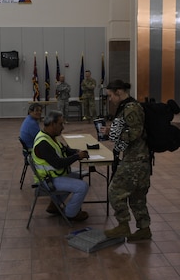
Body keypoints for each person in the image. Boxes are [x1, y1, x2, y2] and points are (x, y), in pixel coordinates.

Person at [100, 79, 152, 242]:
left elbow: (135, 132)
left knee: (114, 191)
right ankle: (144, 229)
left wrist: (113, 134)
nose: (110, 99)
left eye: (110, 95)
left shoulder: (131, 108)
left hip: (135, 160)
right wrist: (113, 130)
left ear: (119, 92)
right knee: (137, 196)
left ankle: (123, 225)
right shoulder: (129, 107)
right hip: (140, 159)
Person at [32, 110, 90, 221]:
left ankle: (54, 205)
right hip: (47, 180)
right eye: (60, 124)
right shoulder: (43, 143)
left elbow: (64, 150)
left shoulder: (49, 137)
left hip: (52, 176)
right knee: (82, 187)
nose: (63, 127)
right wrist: (77, 156)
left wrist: (76, 152)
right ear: (53, 124)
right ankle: (70, 214)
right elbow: (58, 164)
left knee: (78, 177)